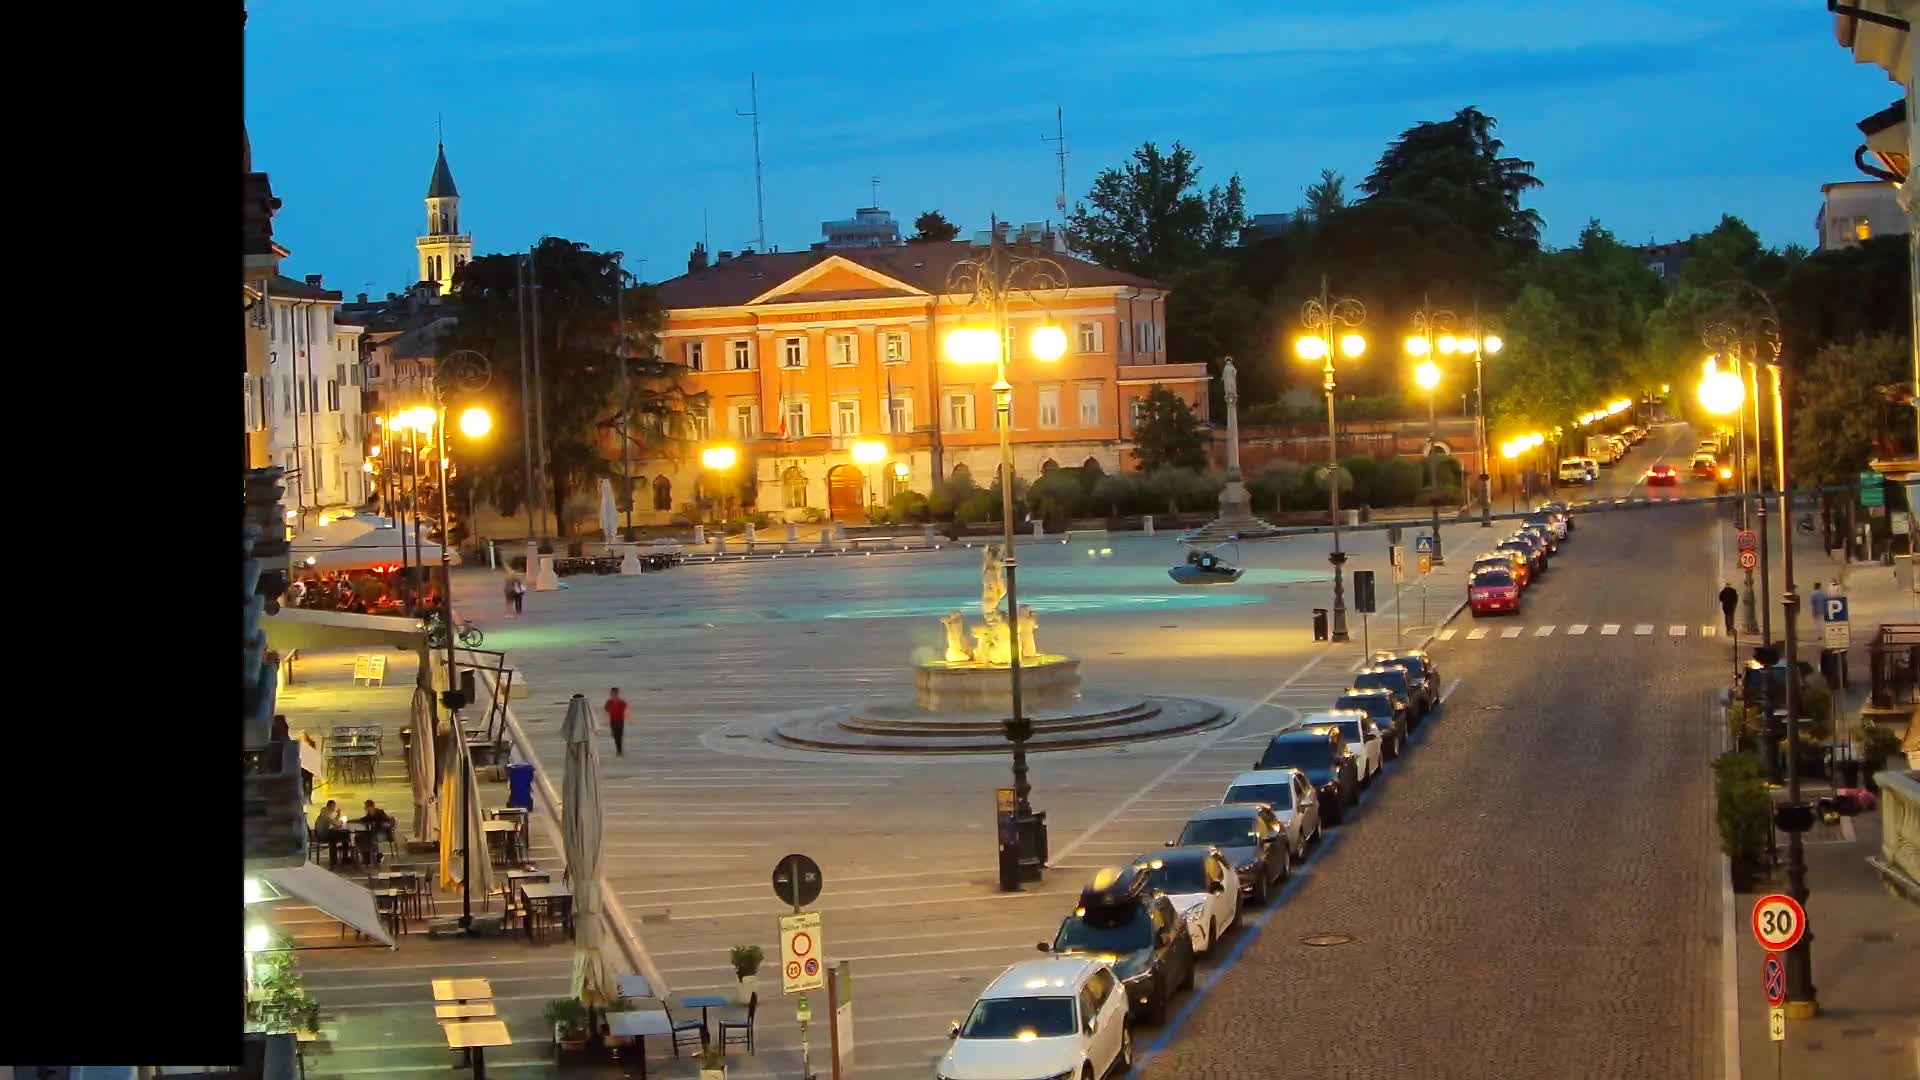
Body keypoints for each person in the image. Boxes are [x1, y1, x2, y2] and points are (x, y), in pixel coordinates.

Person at [356, 799, 396, 866]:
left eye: (366, 807)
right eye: (365, 807)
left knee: (365, 838)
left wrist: (376, 824)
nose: (365, 808)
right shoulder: (370, 814)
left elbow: (386, 823)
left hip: (383, 834)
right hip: (375, 833)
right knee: (358, 837)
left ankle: (371, 857)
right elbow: (364, 819)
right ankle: (368, 857)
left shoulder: (380, 812)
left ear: (371, 806)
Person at [313, 800, 351, 868]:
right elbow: (335, 825)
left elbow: (333, 822)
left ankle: (338, 859)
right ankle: (341, 859)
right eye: (334, 806)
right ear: (329, 806)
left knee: (344, 835)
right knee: (345, 836)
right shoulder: (325, 812)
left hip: (324, 833)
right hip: (322, 835)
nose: (335, 808)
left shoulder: (327, 812)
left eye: (335, 806)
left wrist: (338, 818)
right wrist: (340, 820)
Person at [604, 687, 628, 756]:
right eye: (612, 692)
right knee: (615, 735)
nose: (612, 694)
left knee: (619, 736)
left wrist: (618, 712)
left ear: (616, 693)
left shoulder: (621, 702)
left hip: (620, 720)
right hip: (613, 721)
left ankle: (619, 751)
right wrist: (611, 712)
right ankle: (619, 750)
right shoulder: (609, 701)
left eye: (614, 692)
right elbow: (606, 708)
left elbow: (624, 706)